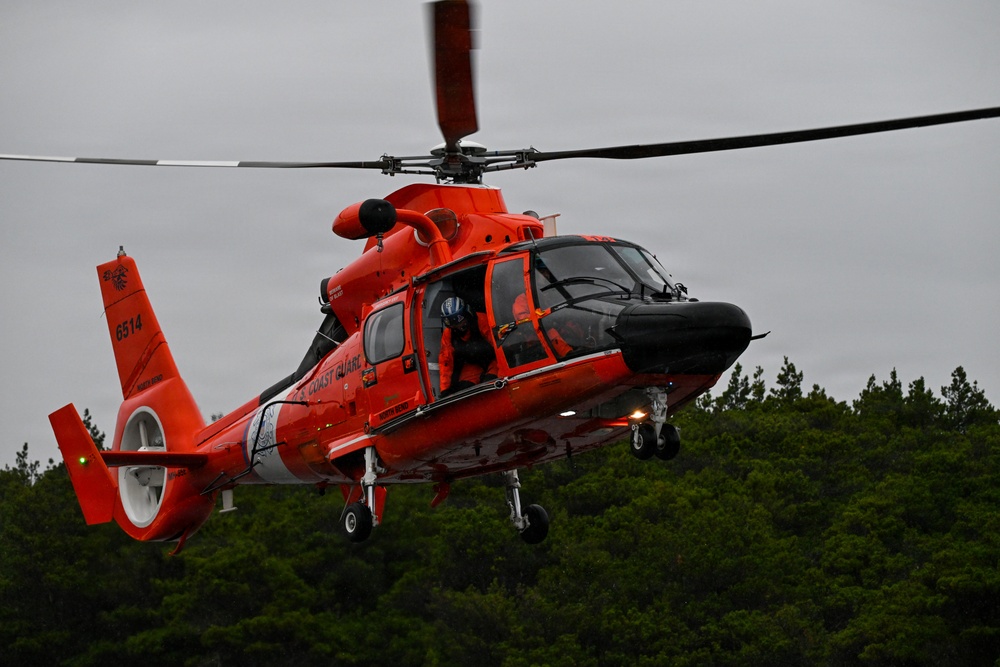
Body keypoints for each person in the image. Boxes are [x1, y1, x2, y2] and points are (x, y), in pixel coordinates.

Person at [438, 297, 498, 396]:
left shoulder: (481, 320)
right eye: (451, 321)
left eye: (459, 318)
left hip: (493, 360)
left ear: (466, 312)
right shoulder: (448, 334)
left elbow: (497, 344)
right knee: (463, 391)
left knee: (491, 382)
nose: (457, 324)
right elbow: (446, 361)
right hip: (472, 365)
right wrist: (445, 389)